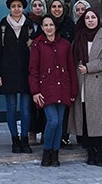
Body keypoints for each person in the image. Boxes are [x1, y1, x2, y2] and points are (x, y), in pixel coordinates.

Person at [29, 15, 76, 167]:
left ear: (55, 27)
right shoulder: (37, 45)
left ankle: (55, 154)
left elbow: (71, 68)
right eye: (45, 25)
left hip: (63, 87)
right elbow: (33, 70)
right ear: (42, 28)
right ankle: (47, 151)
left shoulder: (65, 44)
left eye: (51, 25)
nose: (48, 28)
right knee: (53, 120)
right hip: (46, 89)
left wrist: (73, 91)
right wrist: (35, 91)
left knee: (60, 122)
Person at [69, 8, 102, 166]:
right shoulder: (78, 36)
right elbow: (72, 58)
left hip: (97, 82)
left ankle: (99, 154)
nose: (90, 20)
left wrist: (89, 67)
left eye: (93, 17)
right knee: (85, 118)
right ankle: (90, 153)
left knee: (97, 119)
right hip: (81, 81)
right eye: (87, 18)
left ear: (98, 19)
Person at [0, 0, 37, 153]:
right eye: (13, 6)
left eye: (19, 6)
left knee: (25, 109)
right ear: (9, 8)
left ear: (23, 8)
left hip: (26, 73)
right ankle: (15, 140)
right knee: (11, 108)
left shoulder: (30, 27)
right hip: (8, 73)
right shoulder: (2, 28)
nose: (16, 9)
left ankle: (25, 139)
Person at [26, 0, 48, 145]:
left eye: (40, 5)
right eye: (35, 5)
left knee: (46, 102)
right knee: (31, 103)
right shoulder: (25, 22)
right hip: (30, 67)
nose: (38, 8)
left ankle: (46, 132)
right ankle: (32, 132)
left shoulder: (48, 22)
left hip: (45, 67)